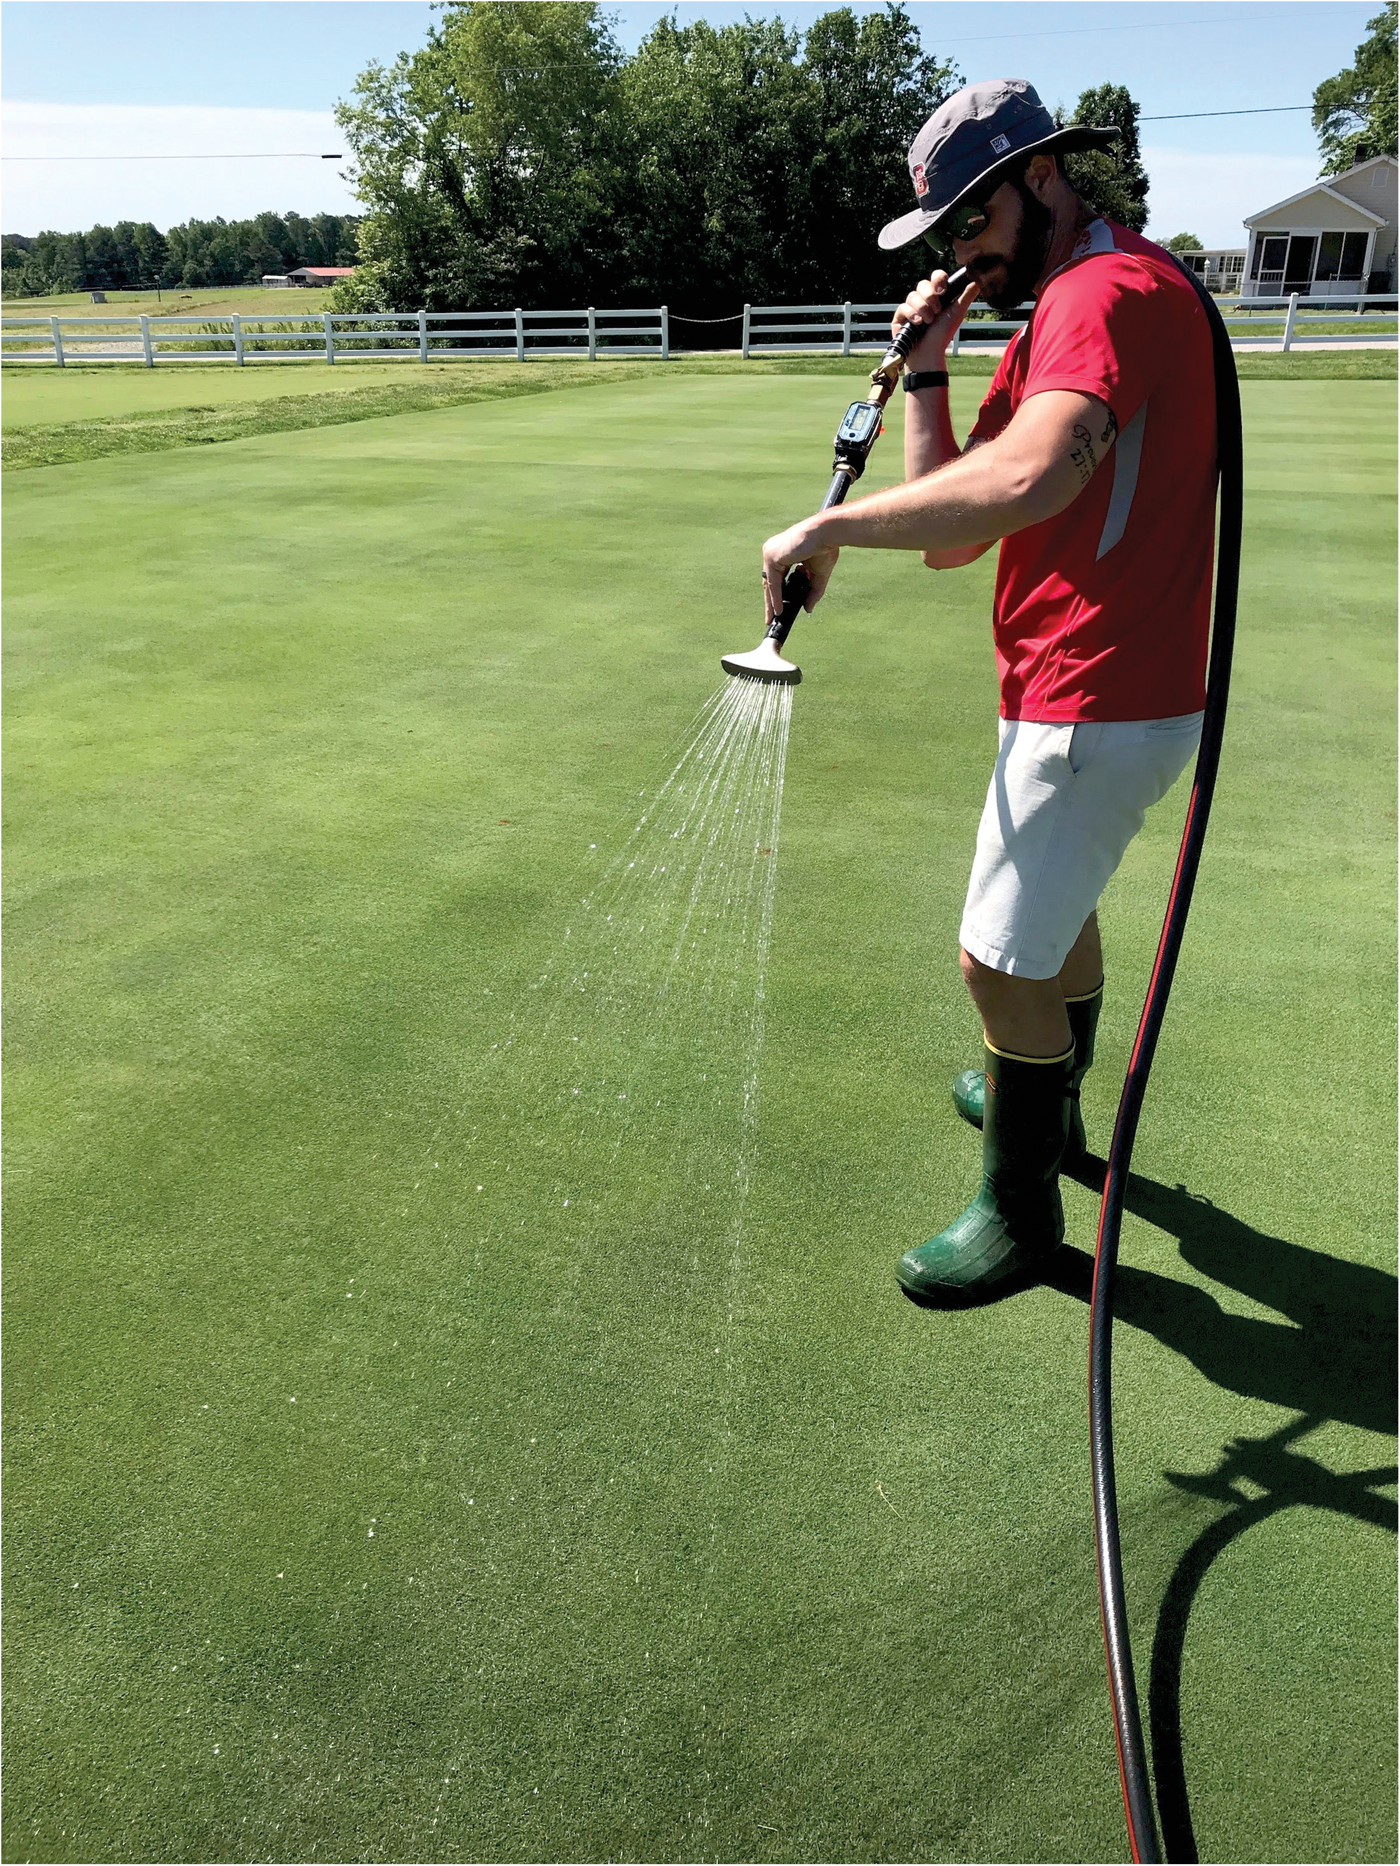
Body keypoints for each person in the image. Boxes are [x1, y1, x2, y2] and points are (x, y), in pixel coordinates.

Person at [759, 79, 1218, 1301]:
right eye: (948, 235)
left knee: (993, 964)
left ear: (1042, 180)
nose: (962, 251)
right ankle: (1049, 1099)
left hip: (1099, 688)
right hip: (1085, 680)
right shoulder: (1076, 295)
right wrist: (925, 372)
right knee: (1051, 916)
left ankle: (1020, 1212)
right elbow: (961, 534)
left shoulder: (1101, 297)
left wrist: (831, 524)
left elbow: (1024, 482)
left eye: (973, 222)